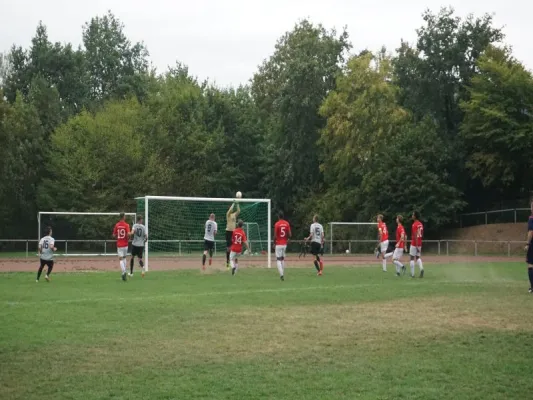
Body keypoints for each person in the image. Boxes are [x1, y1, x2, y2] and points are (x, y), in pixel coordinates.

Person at [113, 213, 131, 281]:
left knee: (120, 259)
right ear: (123, 217)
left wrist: (117, 236)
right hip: (125, 244)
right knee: (124, 258)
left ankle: (124, 272)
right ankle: (124, 272)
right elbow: (128, 234)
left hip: (119, 244)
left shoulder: (117, 225)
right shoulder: (127, 225)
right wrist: (129, 236)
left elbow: (114, 234)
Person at [274, 211, 291, 281]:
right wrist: (287, 238)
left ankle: (281, 275)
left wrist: (273, 243)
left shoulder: (277, 224)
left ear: (278, 216)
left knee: (278, 259)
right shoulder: (287, 223)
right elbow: (290, 234)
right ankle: (282, 273)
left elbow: (275, 236)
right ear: (283, 216)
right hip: (284, 244)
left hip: (278, 244)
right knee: (282, 259)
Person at [225, 202, 241, 269]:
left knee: (235, 248)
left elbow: (239, 211)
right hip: (228, 232)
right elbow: (230, 209)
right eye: (230, 208)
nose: (231, 209)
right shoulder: (228, 214)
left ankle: (235, 264)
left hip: (234, 233)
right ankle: (228, 263)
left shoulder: (234, 215)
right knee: (228, 249)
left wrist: (237, 204)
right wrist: (233, 203)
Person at [409, 211, 424, 278]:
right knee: (418, 257)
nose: (412, 216)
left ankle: (412, 274)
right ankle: (421, 269)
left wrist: (417, 245)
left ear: (415, 216)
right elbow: (421, 234)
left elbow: (415, 235)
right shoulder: (421, 224)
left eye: (412, 215)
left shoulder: (414, 224)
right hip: (420, 242)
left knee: (412, 258)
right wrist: (419, 244)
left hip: (415, 243)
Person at [525, 199, 533, 293]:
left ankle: (532, 287)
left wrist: (527, 243)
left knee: (531, 265)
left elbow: (531, 232)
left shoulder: (531, 218)